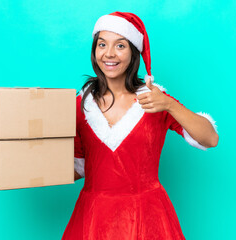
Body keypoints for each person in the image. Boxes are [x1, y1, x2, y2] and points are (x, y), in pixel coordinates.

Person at [62, 11, 219, 240]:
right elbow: (79, 167)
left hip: (148, 216)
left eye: (120, 46)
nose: (109, 54)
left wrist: (169, 105)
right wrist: (28, 168)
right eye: (102, 44)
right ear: (94, 52)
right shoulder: (81, 105)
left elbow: (210, 139)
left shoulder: (154, 99)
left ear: (133, 53)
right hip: (94, 217)